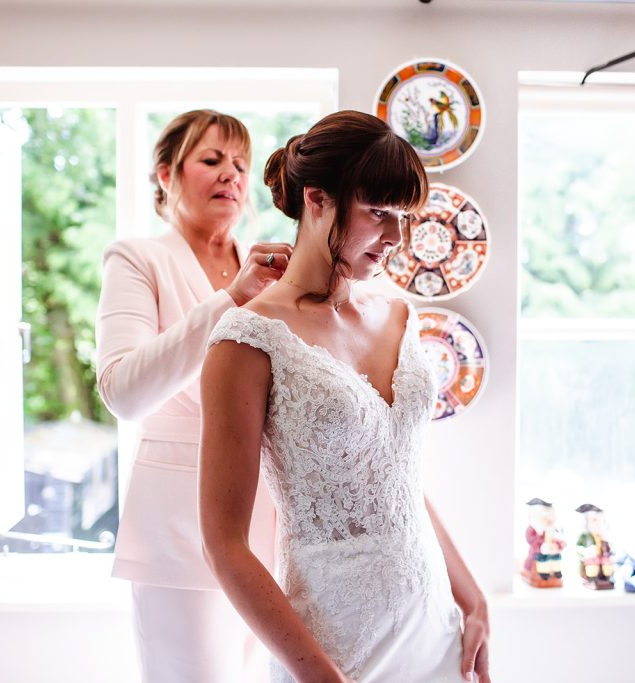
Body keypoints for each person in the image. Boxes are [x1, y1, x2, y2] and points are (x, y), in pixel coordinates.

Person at [198, 110, 491, 683]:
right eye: (378, 213)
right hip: (332, 648)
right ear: (317, 198)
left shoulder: (398, 314)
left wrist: (473, 596)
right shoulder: (246, 340)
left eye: (403, 217)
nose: (395, 238)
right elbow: (223, 545)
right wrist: (322, 677)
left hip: (435, 627)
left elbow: (395, 478)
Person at [95, 109, 292, 682]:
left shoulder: (271, 265)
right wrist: (231, 297)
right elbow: (125, 393)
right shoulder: (138, 259)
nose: (231, 174)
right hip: (179, 527)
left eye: (240, 164)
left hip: (275, 526)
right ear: (166, 174)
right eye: (212, 160)